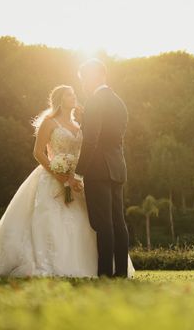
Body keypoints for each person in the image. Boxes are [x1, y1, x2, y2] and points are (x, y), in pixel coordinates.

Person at [0, 84, 134, 278]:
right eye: (70, 95)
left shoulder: (79, 125)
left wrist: (74, 174)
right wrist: (58, 171)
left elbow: (85, 149)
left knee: (85, 222)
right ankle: (46, 262)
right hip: (53, 177)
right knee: (49, 219)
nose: (74, 98)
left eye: (74, 95)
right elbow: (37, 152)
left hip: (74, 179)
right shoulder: (49, 122)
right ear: (60, 99)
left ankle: (87, 266)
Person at [75, 58, 130, 278]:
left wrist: (79, 171)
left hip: (97, 169)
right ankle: (122, 273)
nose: (83, 84)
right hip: (117, 167)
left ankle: (105, 273)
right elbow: (116, 138)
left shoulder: (94, 101)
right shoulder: (119, 102)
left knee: (103, 223)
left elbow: (91, 140)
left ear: (97, 76)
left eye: (84, 79)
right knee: (118, 221)